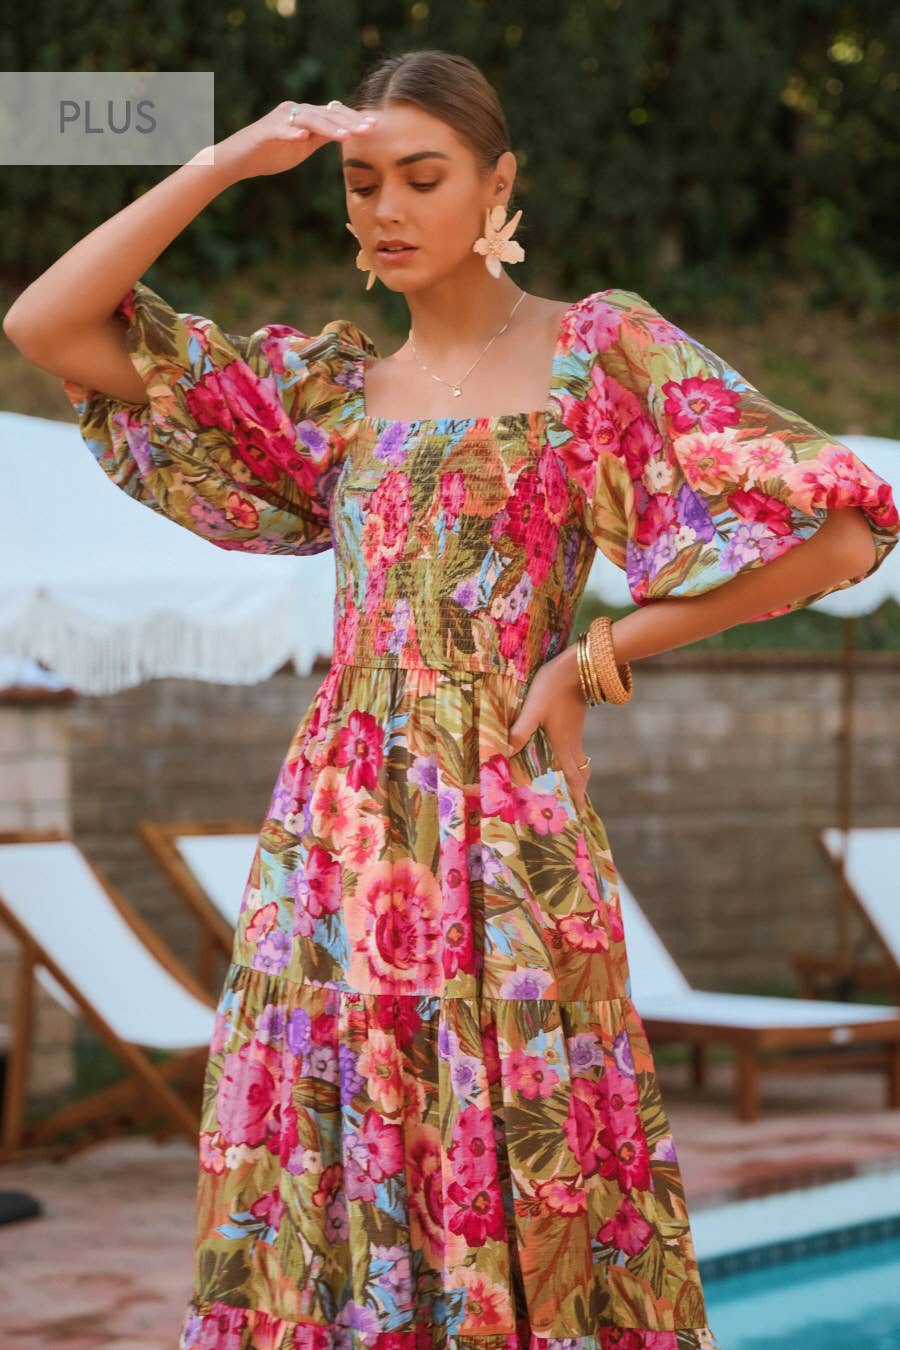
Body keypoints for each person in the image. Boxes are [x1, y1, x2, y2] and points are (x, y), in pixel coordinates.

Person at [5, 46, 897, 1350]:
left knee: (523, 1151)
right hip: (336, 851)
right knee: (326, 1170)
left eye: (423, 177)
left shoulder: (599, 352)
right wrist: (222, 162)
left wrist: (601, 653)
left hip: (511, 845)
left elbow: (846, 532)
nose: (386, 208)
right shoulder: (335, 395)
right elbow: (49, 328)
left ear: (500, 183)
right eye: (362, 183)